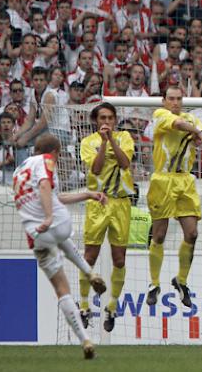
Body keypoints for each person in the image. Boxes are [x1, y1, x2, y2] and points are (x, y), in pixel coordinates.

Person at [12, 134, 107, 359]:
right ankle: (89, 272)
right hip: (56, 222)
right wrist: (48, 216)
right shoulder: (45, 160)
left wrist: (87, 194)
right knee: (63, 235)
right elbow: (46, 187)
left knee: (62, 290)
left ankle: (85, 339)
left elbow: (54, 196)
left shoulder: (18, 172)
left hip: (36, 236)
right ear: (54, 152)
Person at [146, 86, 202, 307]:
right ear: (164, 101)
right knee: (160, 234)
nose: (175, 102)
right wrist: (198, 132)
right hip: (163, 180)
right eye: (171, 98)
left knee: (192, 234)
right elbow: (179, 125)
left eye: (179, 98)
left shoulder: (191, 118)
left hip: (185, 181)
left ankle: (181, 280)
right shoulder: (160, 115)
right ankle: (154, 283)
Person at [78, 103, 134, 332]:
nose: (107, 122)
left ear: (115, 120)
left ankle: (112, 306)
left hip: (120, 202)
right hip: (98, 203)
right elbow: (97, 169)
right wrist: (103, 143)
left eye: (111, 118)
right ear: (95, 120)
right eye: (103, 118)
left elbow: (125, 163)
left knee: (119, 259)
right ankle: (83, 305)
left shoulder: (125, 137)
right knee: (89, 256)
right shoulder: (87, 142)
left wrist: (111, 140)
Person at [128, 184, 152, 249]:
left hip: (120, 254)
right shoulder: (148, 217)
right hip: (143, 255)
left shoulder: (118, 216)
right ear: (137, 198)